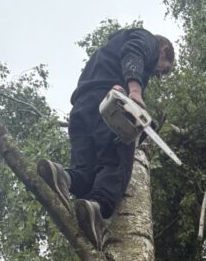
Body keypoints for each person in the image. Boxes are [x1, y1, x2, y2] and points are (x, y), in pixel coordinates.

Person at [37, 28, 174, 248]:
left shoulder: (107, 52)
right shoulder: (145, 40)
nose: (156, 74)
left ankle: (63, 176)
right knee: (116, 164)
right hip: (108, 106)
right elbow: (134, 51)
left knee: (87, 173)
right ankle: (99, 207)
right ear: (164, 50)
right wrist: (136, 93)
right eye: (162, 70)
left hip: (81, 109)